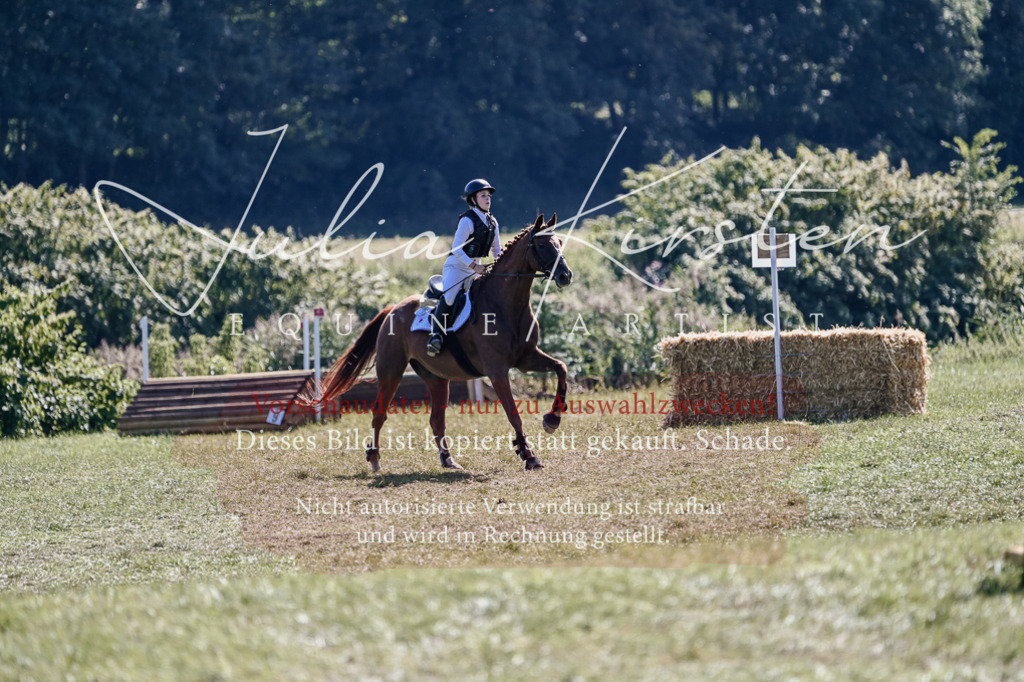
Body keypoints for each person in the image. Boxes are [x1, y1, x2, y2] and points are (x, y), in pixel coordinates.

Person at [427, 178, 502, 356]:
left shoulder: (493, 222)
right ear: (473, 200)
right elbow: (456, 249)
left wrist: (500, 265)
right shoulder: (467, 220)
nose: (488, 199)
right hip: (457, 265)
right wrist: (473, 266)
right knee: (451, 296)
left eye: (488, 196)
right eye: (483, 195)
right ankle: (435, 335)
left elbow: (496, 249)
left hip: (477, 266)